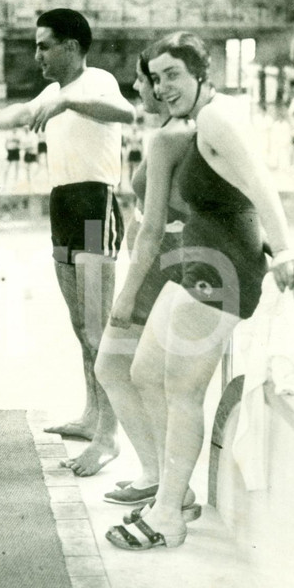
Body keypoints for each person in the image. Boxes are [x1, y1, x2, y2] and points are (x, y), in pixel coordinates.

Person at [103, 32, 294, 551]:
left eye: (174, 75)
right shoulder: (198, 120)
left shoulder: (216, 119)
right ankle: (173, 489)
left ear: (200, 75)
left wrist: (283, 252)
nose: (163, 87)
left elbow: (260, 185)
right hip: (199, 265)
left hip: (225, 271)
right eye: (157, 77)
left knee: (182, 392)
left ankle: (168, 515)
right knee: (145, 371)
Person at [0, 8, 135, 475]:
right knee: (82, 327)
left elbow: (128, 112)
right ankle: (91, 415)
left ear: (71, 47)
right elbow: (22, 113)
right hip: (62, 207)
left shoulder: (96, 81)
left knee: (100, 331)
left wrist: (70, 104)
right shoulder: (54, 91)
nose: (36, 54)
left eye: (43, 45)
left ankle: (109, 436)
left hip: (95, 206)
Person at [94, 51, 193, 509]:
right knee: (132, 371)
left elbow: (155, 226)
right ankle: (158, 475)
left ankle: (161, 477)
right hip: (160, 263)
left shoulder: (168, 138)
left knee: (117, 368)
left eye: (141, 81)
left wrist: (128, 292)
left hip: (156, 268)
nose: (137, 89)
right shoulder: (174, 133)